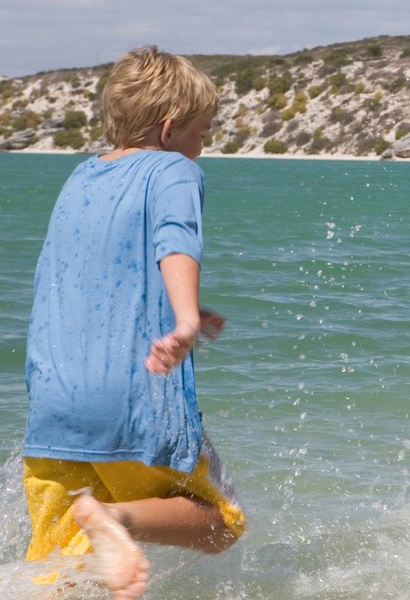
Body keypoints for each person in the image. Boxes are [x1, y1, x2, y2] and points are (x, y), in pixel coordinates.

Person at [22, 45, 246, 600]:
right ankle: (118, 520)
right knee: (220, 522)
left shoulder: (81, 177)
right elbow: (176, 241)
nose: (204, 144)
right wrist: (187, 319)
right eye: (203, 131)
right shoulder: (174, 168)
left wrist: (177, 305)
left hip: (53, 407)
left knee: (60, 575)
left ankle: (101, 525)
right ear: (170, 129)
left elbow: (88, 276)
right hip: (130, 400)